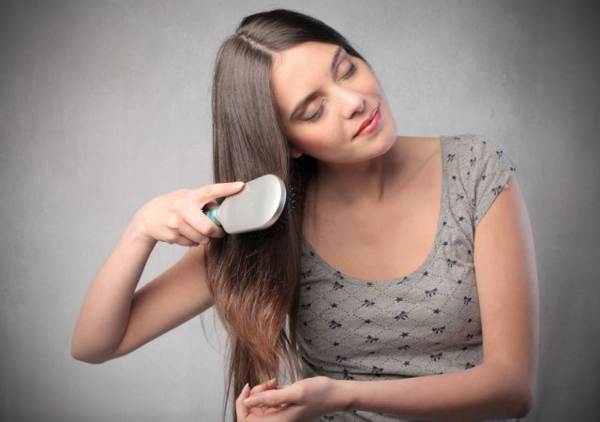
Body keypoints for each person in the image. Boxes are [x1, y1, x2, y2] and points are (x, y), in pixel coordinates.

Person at [70, 8, 539, 422]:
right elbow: (95, 344)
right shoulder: (277, 223)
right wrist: (140, 230)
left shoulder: (475, 171)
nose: (354, 101)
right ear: (290, 143)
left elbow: (512, 389)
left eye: (347, 69)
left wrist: (338, 396)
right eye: (314, 110)